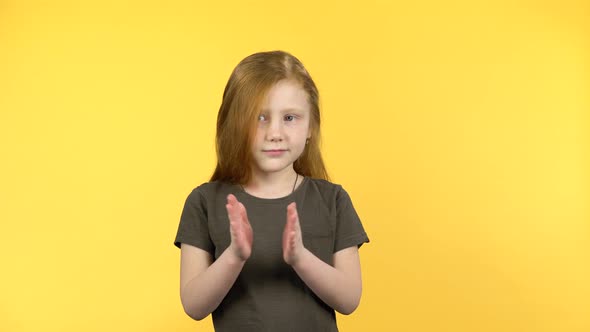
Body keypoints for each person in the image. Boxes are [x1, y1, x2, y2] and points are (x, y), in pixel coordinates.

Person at [173, 50, 369, 332]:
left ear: (311, 126)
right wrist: (235, 255)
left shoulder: (333, 200)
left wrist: (300, 258)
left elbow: (350, 299)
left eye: (290, 117)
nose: (275, 132)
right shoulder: (204, 202)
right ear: (234, 124)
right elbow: (193, 305)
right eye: (260, 117)